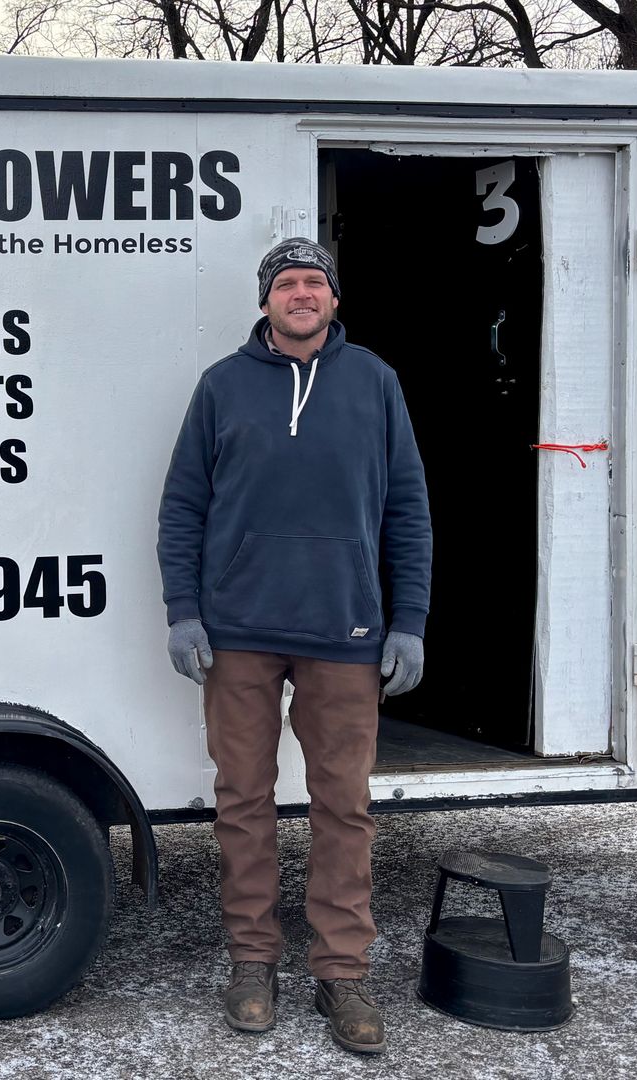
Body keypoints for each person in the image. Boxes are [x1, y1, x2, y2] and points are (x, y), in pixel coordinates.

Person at [156, 237, 432, 1055]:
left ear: (334, 299)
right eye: (287, 284)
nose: (302, 295)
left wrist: (407, 620)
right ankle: (252, 962)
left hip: (344, 631)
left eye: (315, 283)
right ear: (266, 300)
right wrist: (184, 610)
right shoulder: (222, 387)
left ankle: (341, 972)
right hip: (238, 631)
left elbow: (408, 511)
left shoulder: (375, 383)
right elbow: (183, 508)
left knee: (342, 808)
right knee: (243, 803)